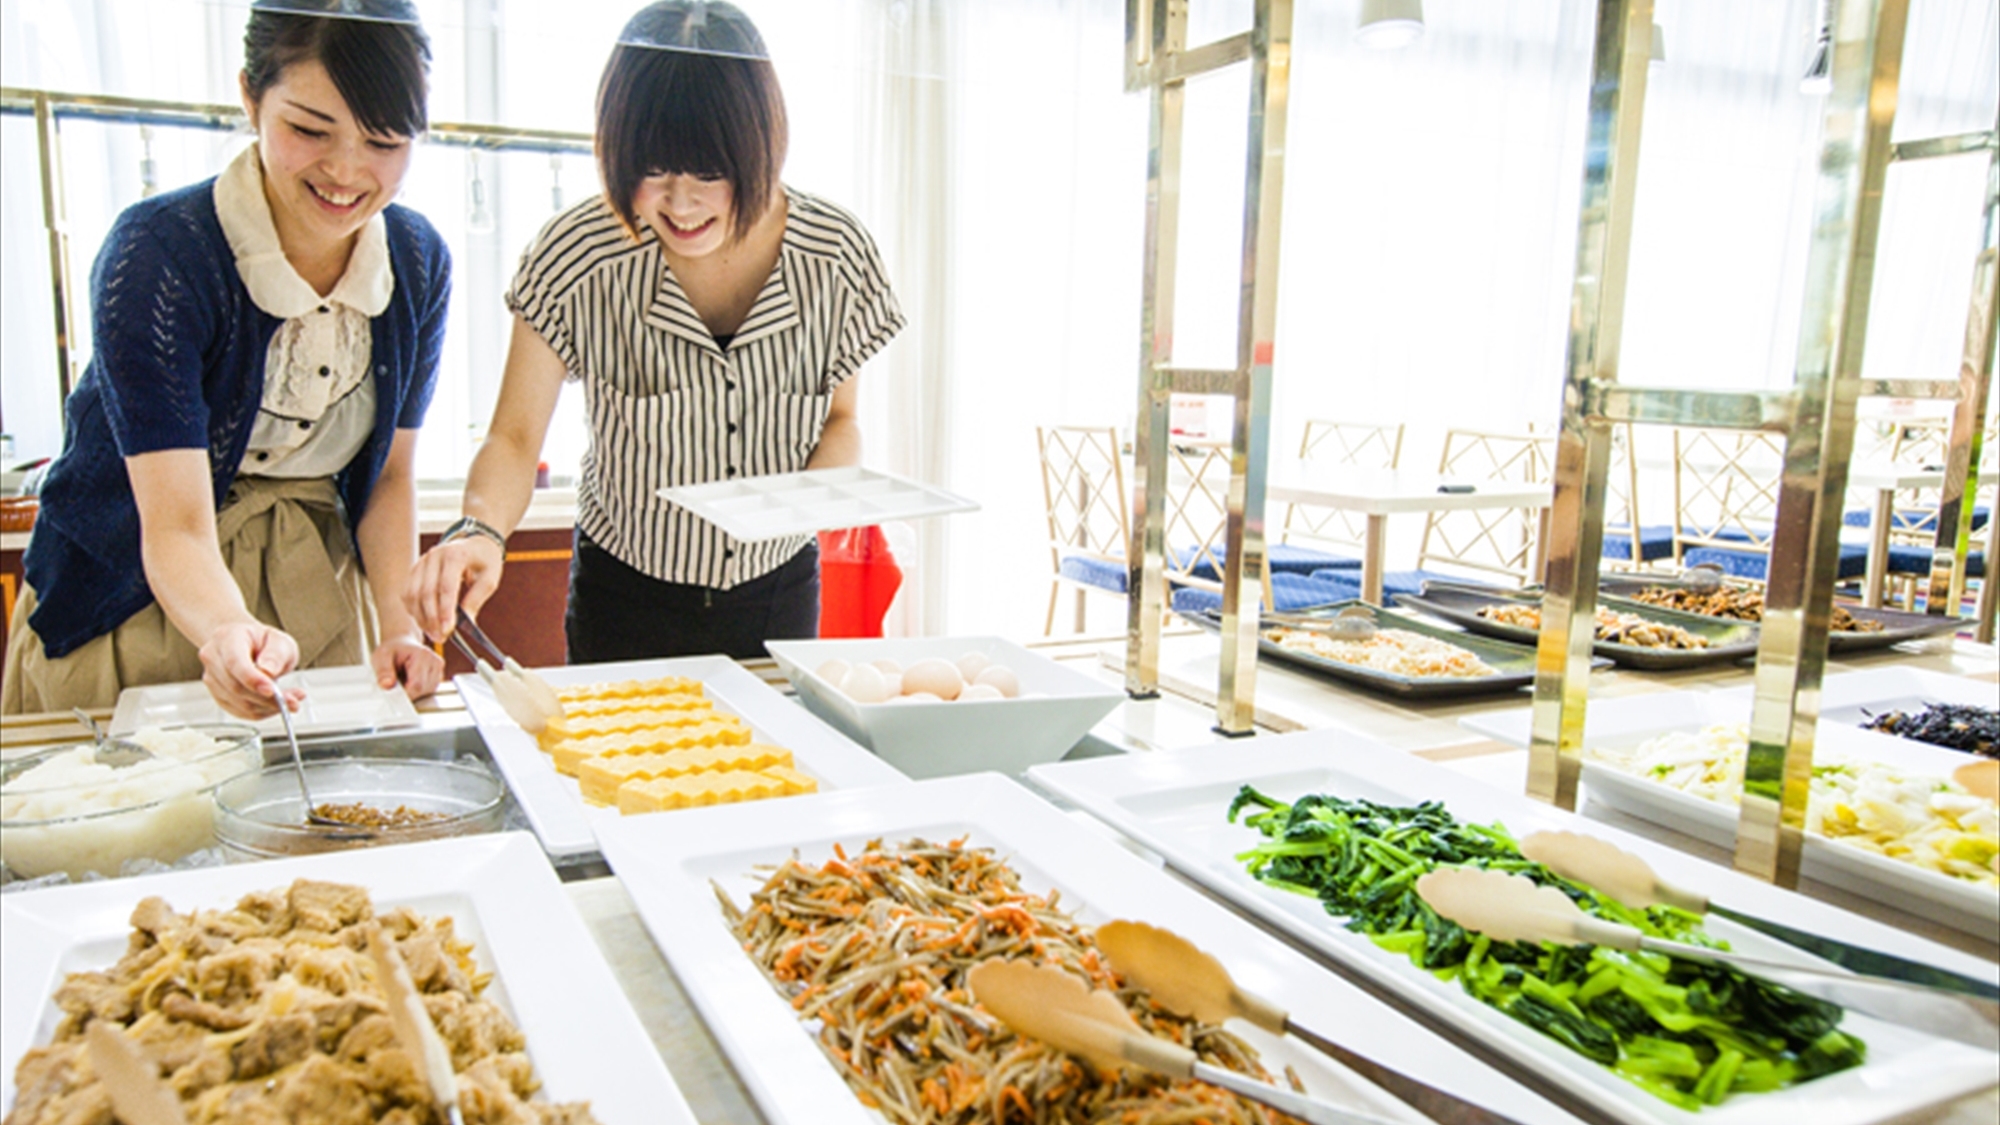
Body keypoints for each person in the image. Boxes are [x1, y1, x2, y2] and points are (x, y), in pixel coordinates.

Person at [405, 0, 903, 663]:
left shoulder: (835, 255)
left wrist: (818, 498)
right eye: (653, 170)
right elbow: (514, 436)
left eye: (711, 173)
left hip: (778, 589)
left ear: (763, 149)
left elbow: (841, 420)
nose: (681, 201)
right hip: (625, 598)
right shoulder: (577, 254)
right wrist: (481, 531)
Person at [1, 0, 450, 720]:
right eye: (309, 128)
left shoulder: (417, 261)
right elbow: (175, 523)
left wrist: (400, 623)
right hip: (134, 604)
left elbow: (389, 477)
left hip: (317, 603)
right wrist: (226, 628)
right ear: (249, 95)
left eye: (384, 140)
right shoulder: (158, 254)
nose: (345, 170)